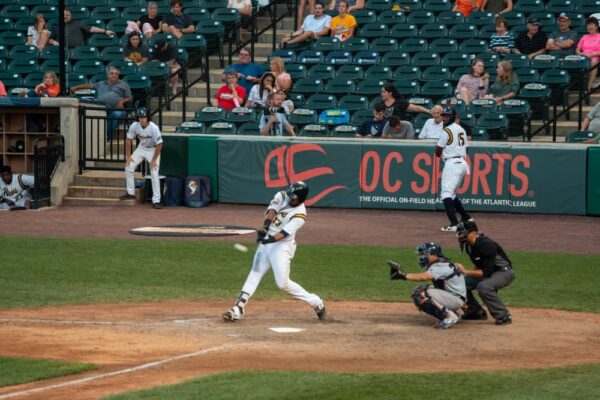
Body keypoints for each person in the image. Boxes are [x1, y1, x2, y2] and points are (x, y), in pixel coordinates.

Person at [223, 181, 326, 322]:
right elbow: (272, 211)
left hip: (282, 247)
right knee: (255, 273)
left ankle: (316, 302)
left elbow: (283, 234)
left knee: (282, 284)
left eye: (294, 197)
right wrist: (265, 227)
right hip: (268, 240)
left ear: (301, 198)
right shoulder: (282, 195)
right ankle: (238, 308)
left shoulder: (300, 215)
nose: (290, 198)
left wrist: (268, 240)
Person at [387, 242, 466, 329]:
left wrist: (403, 276)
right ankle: (454, 314)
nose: (422, 257)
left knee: (420, 293)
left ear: (434, 254)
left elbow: (424, 277)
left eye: (424, 254)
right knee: (421, 289)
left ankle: (448, 316)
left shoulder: (440, 266)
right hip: (454, 297)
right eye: (421, 254)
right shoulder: (441, 263)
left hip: (454, 299)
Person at [456, 220, 515, 325]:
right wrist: (465, 275)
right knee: (459, 282)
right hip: (490, 271)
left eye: (463, 232)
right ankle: (475, 311)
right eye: (459, 233)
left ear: (473, 233)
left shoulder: (485, 244)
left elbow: (487, 273)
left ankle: (503, 315)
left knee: (484, 286)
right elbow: (479, 265)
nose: (460, 235)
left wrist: (465, 271)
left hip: (503, 272)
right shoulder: (469, 246)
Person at [69, 67, 133, 140]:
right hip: (100, 108)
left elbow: (130, 99)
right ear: (108, 75)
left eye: (116, 74)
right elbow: (89, 86)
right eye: (112, 73)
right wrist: (76, 87)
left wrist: (122, 101)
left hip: (116, 108)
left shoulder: (124, 85)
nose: (114, 75)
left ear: (118, 75)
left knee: (117, 114)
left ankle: (105, 136)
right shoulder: (101, 83)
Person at [435, 107, 472, 232]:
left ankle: (454, 224)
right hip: (462, 162)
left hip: (452, 163)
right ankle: (466, 217)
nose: (444, 118)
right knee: (451, 193)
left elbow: (438, 150)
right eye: (443, 115)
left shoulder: (447, 130)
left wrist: (443, 156)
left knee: (445, 193)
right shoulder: (461, 129)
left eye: (447, 116)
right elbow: (467, 149)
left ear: (453, 117)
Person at [119, 107, 163, 209]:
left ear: (148, 118)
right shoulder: (134, 126)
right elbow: (129, 139)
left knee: (154, 173)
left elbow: (160, 144)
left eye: (144, 117)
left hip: (153, 150)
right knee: (128, 167)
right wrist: (128, 157)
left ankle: (156, 200)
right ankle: (131, 193)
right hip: (141, 148)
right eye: (140, 117)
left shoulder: (154, 128)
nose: (142, 119)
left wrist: (153, 160)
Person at [48, 9, 115, 48]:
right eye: (64, 15)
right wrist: (53, 42)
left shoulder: (78, 24)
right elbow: (50, 39)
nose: (65, 17)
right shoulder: (56, 27)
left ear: (71, 16)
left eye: (68, 15)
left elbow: (91, 29)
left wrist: (105, 31)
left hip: (78, 51)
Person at [576, 17, 600, 93]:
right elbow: (577, 49)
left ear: (596, 26)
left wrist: (593, 54)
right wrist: (580, 54)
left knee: (593, 62)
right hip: (583, 57)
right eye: (588, 25)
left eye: (592, 24)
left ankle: (588, 87)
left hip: (595, 57)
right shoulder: (584, 37)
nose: (590, 26)